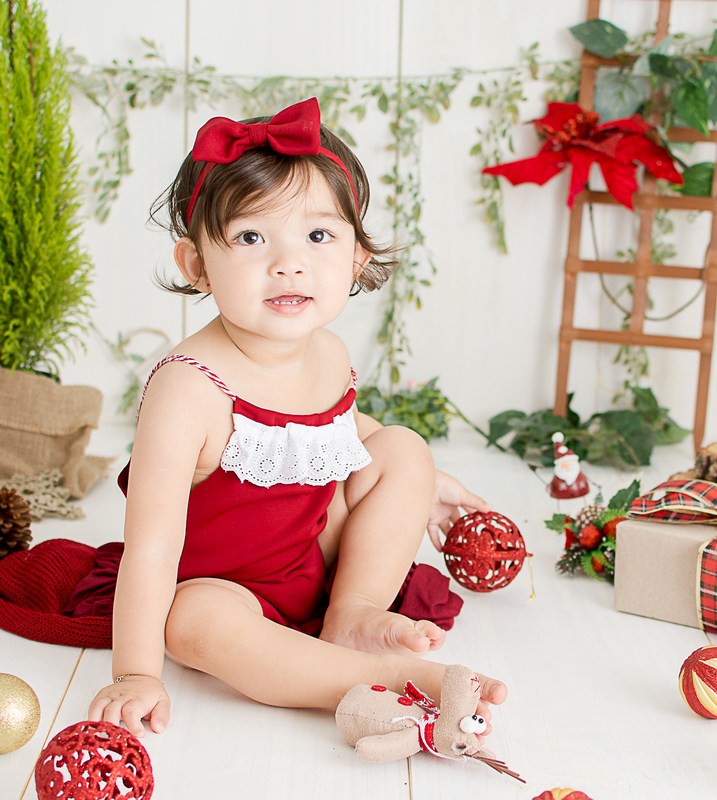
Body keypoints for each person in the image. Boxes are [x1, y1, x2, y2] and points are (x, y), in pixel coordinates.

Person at [87, 98, 507, 739]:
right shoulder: (188, 388)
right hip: (225, 585)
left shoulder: (329, 351)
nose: (289, 262)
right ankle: (383, 682)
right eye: (251, 237)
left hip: (313, 552)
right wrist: (136, 672)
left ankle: (354, 612)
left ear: (359, 254)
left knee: (402, 446)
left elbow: (341, 436)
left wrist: (425, 480)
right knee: (193, 622)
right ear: (196, 264)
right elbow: (150, 546)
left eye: (318, 235)